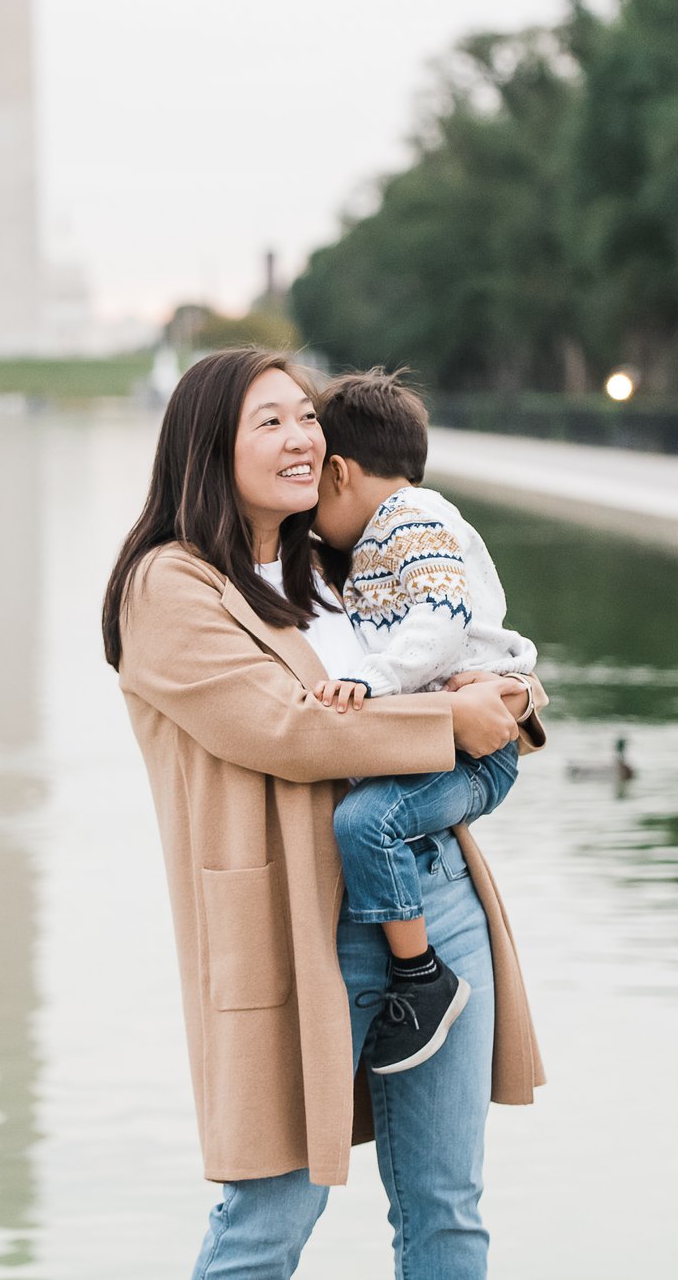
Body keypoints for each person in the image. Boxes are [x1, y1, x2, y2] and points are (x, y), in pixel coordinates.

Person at [101, 347, 547, 1280]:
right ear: (207, 448)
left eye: (307, 415)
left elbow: (453, 631)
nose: (304, 436)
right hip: (296, 929)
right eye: (270, 420)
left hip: (437, 897)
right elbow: (287, 729)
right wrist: (449, 719)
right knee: (268, 1218)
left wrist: (506, 688)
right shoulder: (172, 587)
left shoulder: (345, 555)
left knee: (447, 1212)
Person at [305, 369, 538, 1076]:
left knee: (363, 822)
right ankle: (420, 975)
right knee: (370, 821)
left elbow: (439, 626)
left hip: (470, 754)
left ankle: (422, 979)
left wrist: (365, 682)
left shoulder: (415, 522)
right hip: (446, 744)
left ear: (339, 472)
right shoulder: (375, 537)